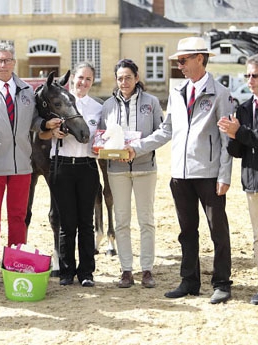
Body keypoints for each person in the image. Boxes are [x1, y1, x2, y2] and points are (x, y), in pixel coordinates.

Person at [126, 37, 234, 304]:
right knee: (187, 231)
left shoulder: (220, 94)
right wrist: (137, 147)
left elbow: (226, 141)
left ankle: (222, 283)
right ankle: (189, 281)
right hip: (180, 175)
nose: (180, 65)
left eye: (183, 60)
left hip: (209, 175)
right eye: (178, 61)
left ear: (200, 58)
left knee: (217, 230)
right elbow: (166, 131)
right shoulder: (176, 92)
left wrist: (224, 175)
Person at [0, 43, 58, 290]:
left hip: (22, 167)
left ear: (14, 62)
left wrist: (46, 125)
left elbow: (35, 122)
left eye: (7, 60)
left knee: (19, 219)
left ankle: (15, 266)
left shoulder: (28, 91)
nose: (3, 65)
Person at [218, 53, 258, 305]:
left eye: (254, 75)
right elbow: (238, 151)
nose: (250, 80)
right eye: (247, 75)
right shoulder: (242, 108)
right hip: (254, 182)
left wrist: (240, 132)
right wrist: (232, 138)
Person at [100, 59, 164, 289]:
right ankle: (126, 270)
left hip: (145, 168)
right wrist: (101, 147)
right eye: (120, 78)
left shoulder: (152, 102)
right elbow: (101, 136)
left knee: (146, 220)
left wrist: (139, 148)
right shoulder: (107, 106)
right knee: (121, 220)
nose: (124, 82)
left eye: (128, 77)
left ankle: (147, 269)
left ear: (137, 78)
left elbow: (163, 132)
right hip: (117, 171)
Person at [40, 62, 102, 287]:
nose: (83, 83)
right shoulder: (59, 104)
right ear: (72, 79)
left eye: (88, 79)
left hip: (87, 166)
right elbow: (41, 130)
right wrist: (50, 130)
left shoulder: (98, 108)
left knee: (86, 222)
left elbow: (103, 138)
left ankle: (86, 272)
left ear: (92, 82)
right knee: (66, 223)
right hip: (62, 165)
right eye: (80, 78)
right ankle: (66, 271)